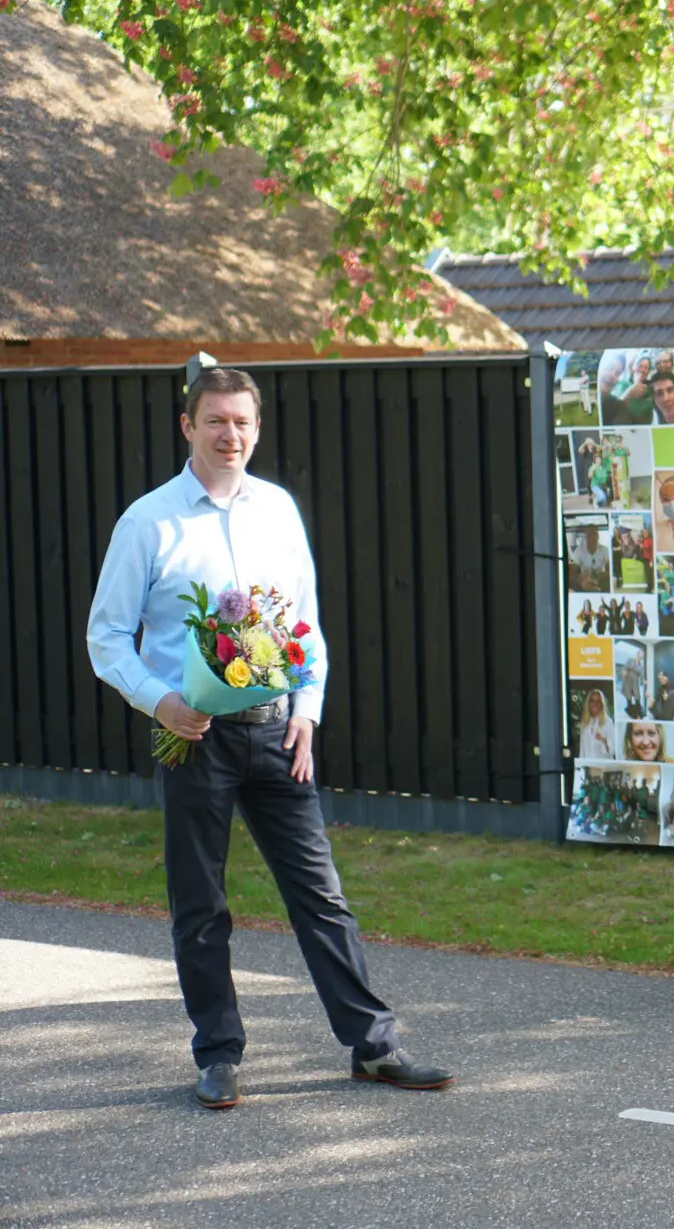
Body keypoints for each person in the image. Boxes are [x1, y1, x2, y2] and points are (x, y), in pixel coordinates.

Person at [84, 366, 450, 1109]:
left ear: (257, 428)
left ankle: (373, 1048)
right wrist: (161, 704)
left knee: (322, 898)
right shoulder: (147, 523)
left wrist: (307, 711)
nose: (230, 435)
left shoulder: (278, 510)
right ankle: (218, 1055)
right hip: (193, 737)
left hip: (278, 733)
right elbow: (106, 638)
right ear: (188, 427)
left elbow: (305, 625)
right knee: (201, 904)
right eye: (216, 421)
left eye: (242, 422)